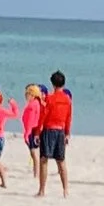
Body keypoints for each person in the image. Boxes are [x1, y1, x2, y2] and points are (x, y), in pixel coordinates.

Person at [34, 69, 73, 198]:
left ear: (53, 84)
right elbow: (69, 117)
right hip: (61, 130)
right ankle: (65, 190)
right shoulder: (67, 99)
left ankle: (42, 190)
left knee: (44, 160)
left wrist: (37, 132)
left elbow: (43, 116)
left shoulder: (49, 99)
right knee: (61, 161)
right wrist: (67, 133)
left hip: (49, 130)